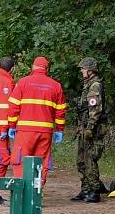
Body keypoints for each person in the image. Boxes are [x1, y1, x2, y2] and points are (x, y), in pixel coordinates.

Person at [7, 56, 66, 187]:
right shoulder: (56, 86)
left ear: (33, 67)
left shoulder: (23, 83)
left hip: (25, 131)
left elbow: (13, 107)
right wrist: (60, 130)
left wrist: (11, 125)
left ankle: (21, 193)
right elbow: (60, 111)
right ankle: (36, 193)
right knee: (42, 162)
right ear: (47, 69)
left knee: (20, 160)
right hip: (45, 132)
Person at [73, 57, 107, 203]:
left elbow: (95, 110)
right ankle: (86, 188)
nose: (81, 71)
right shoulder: (87, 85)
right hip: (84, 128)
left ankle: (94, 191)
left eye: (83, 69)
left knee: (90, 159)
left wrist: (90, 128)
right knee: (81, 160)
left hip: (91, 129)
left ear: (90, 70)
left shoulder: (95, 86)